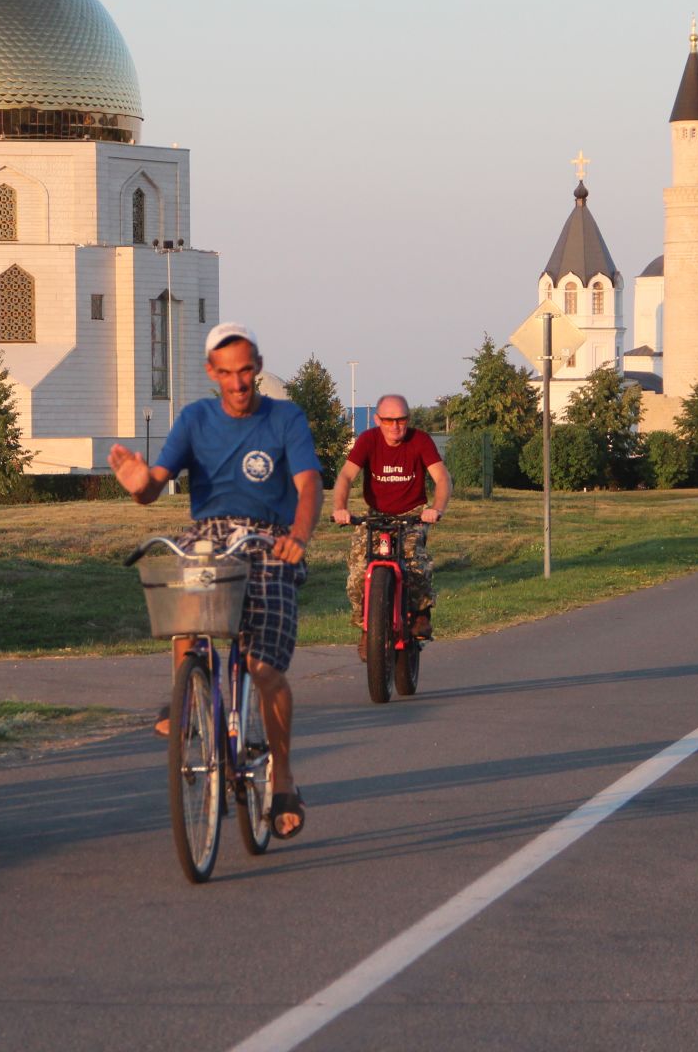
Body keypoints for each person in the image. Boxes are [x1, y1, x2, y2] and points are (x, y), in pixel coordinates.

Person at [108, 323, 321, 841]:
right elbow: (155, 485)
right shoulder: (194, 419)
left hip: (270, 539)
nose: (238, 383)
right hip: (208, 534)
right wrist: (139, 485)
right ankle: (188, 699)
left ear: (258, 367)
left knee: (263, 665)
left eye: (246, 370)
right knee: (184, 595)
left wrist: (298, 533)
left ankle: (284, 780)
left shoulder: (285, 417)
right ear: (211, 374)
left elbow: (309, 482)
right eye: (226, 373)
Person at [331, 393, 449, 640]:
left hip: (412, 515)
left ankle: (420, 614)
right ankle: (368, 630)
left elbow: (442, 479)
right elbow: (345, 477)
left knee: (414, 561)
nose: (395, 426)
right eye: (388, 420)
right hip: (375, 515)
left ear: (408, 418)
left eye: (401, 419)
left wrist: (435, 509)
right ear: (377, 420)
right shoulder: (367, 440)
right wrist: (340, 508)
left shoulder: (420, 441)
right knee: (358, 572)